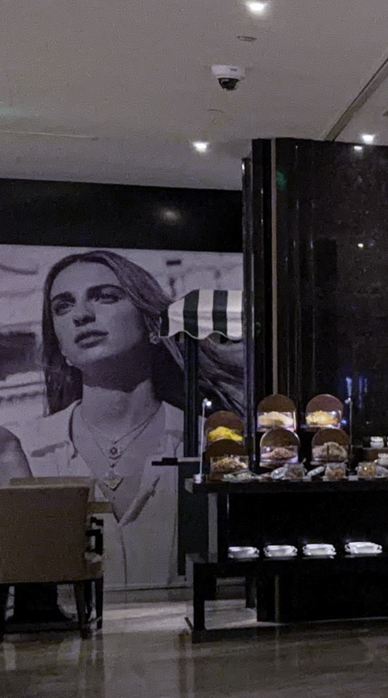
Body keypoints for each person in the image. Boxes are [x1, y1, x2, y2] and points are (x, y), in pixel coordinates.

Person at [2, 251, 230, 591]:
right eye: (63, 306)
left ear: (153, 325)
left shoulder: (211, 445)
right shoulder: (23, 453)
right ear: (61, 347)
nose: (81, 315)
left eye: (105, 297)